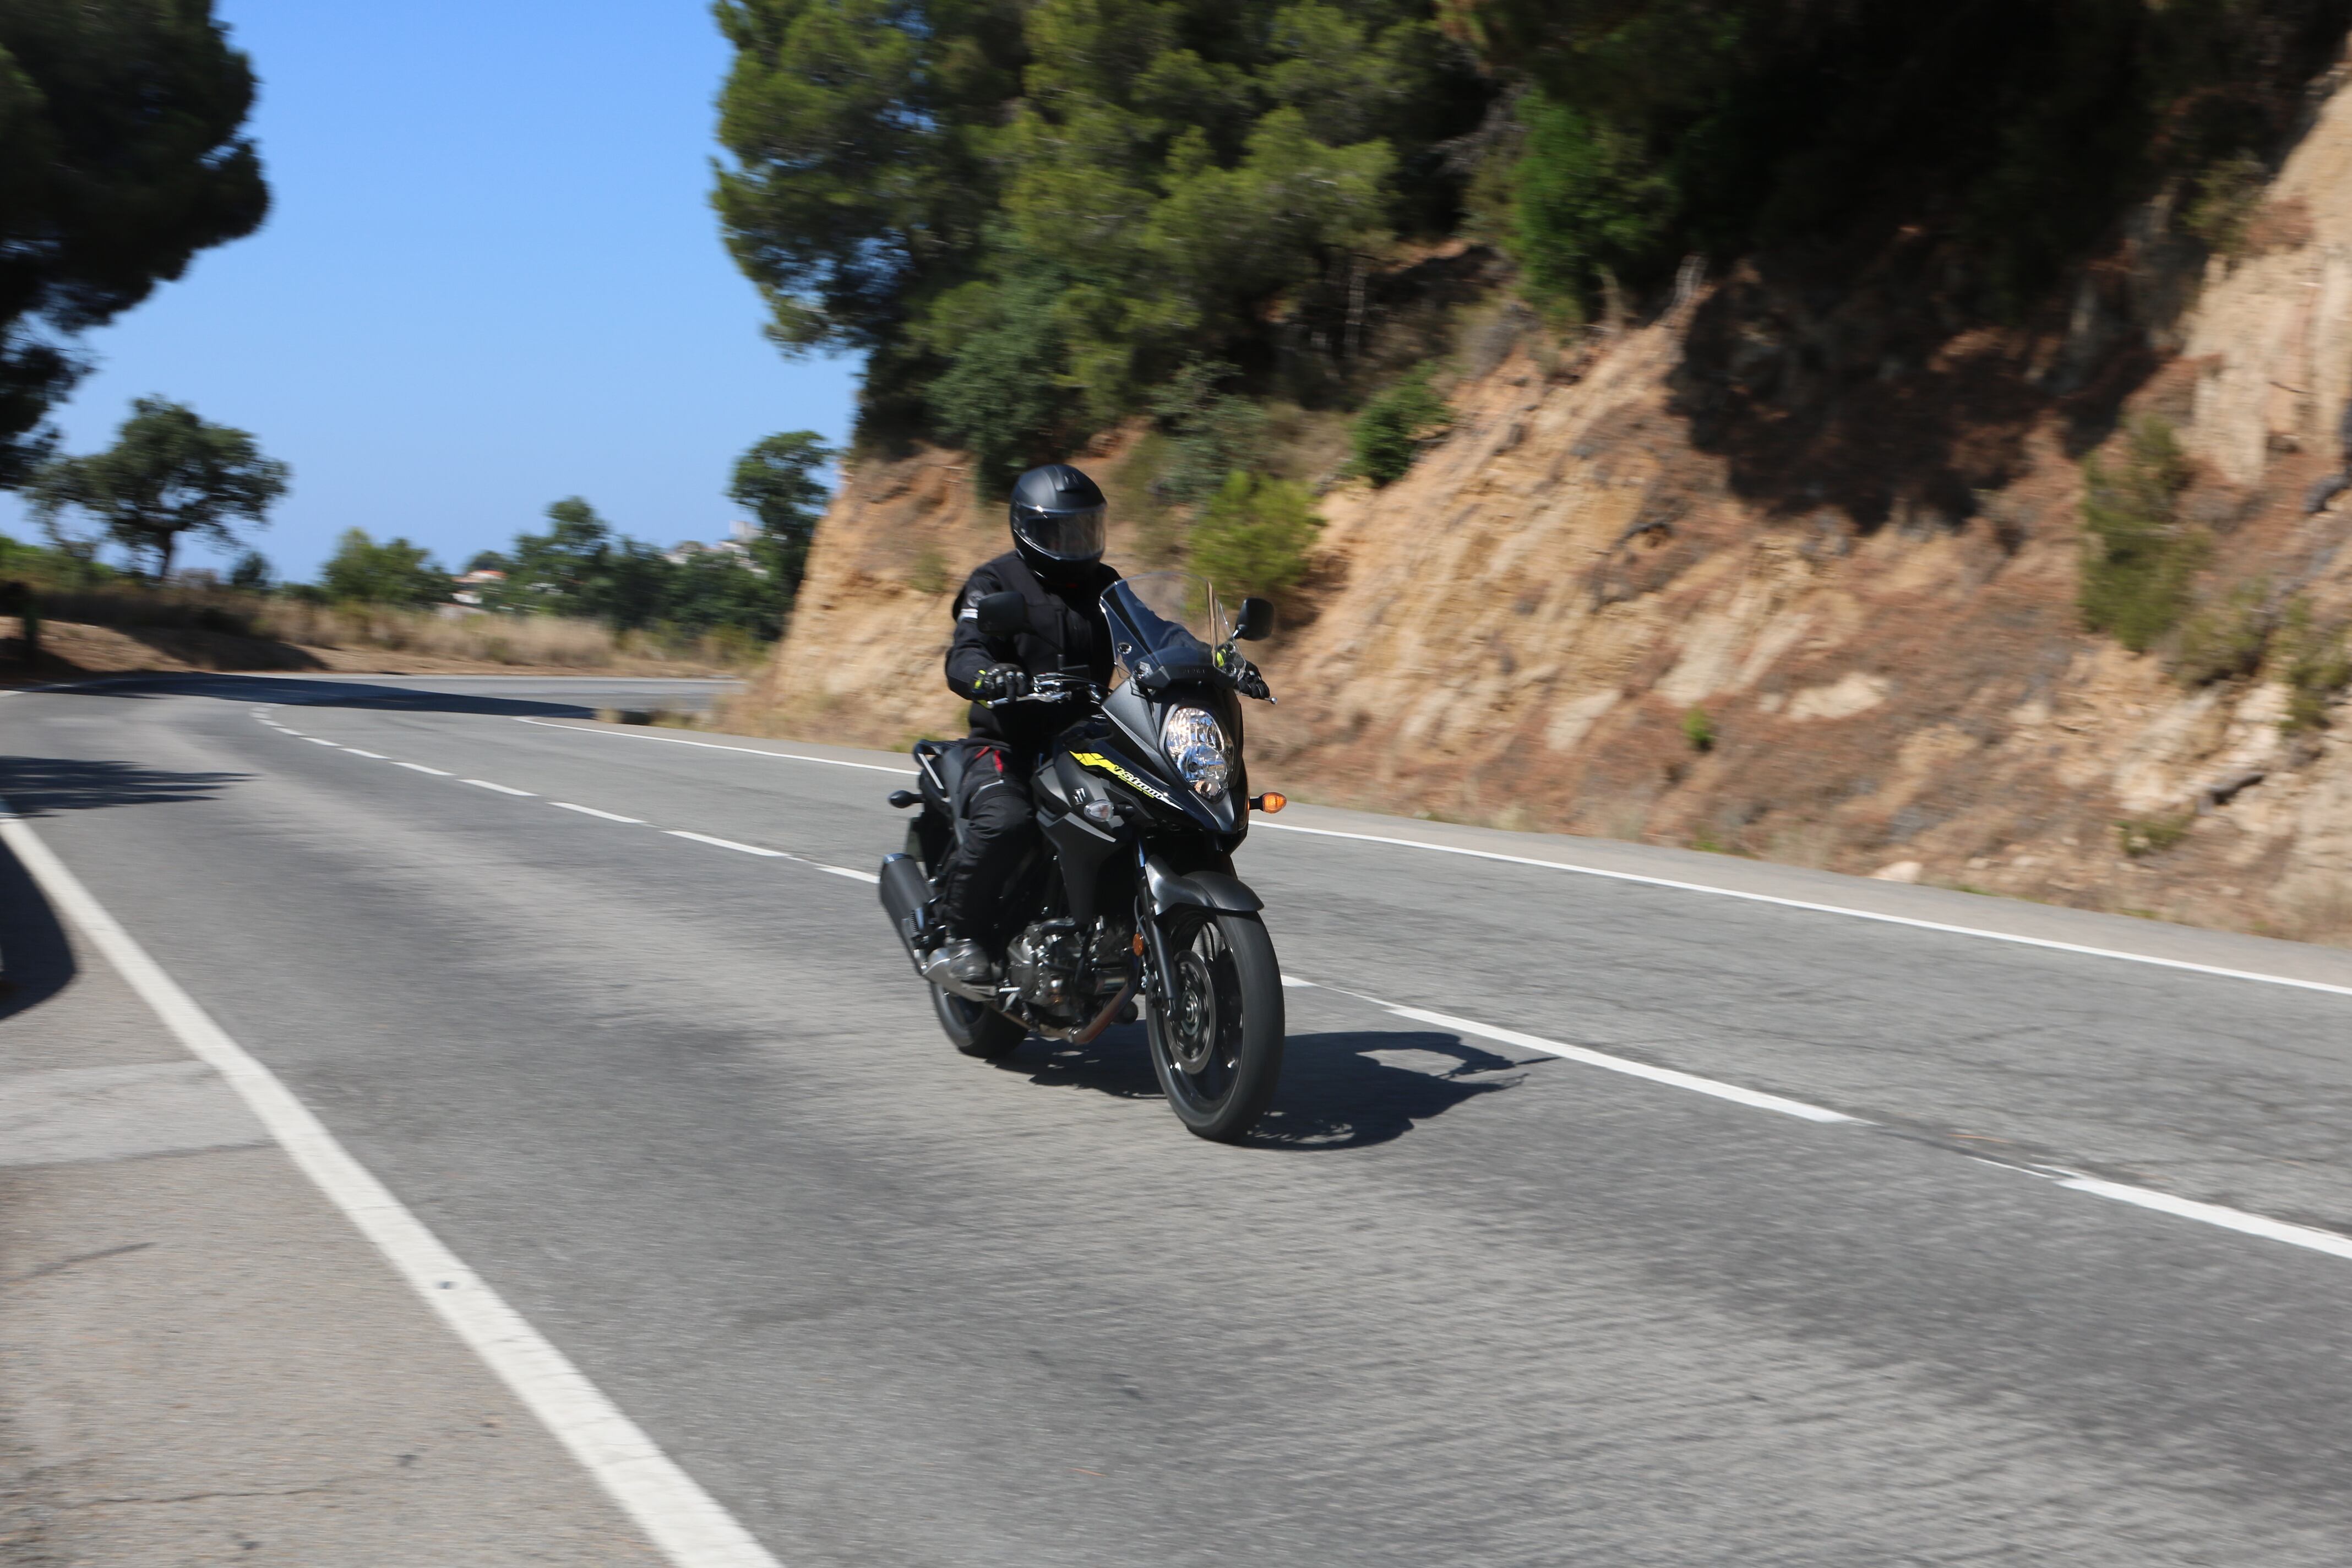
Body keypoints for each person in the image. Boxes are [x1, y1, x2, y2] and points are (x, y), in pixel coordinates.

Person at [934, 462, 1123, 984]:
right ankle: (963, 938)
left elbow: (1153, 632)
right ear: (1025, 528)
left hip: (1086, 745)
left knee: (1145, 810)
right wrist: (991, 675)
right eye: (1058, 531)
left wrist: (1204, 657)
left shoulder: (1107, 585)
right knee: (1007, 822)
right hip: (1007, 744)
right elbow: (965, 652)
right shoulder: (995, 582)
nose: (1072, 541)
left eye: (1083, 528)